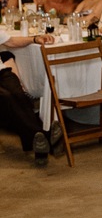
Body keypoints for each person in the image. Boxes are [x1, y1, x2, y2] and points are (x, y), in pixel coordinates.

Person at [0, 27, 62, 164]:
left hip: (2, 71)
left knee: (18, 94)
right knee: (7, 98)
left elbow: (11, 41)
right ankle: (44, 139)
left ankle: (40, 144)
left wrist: (35, 39)